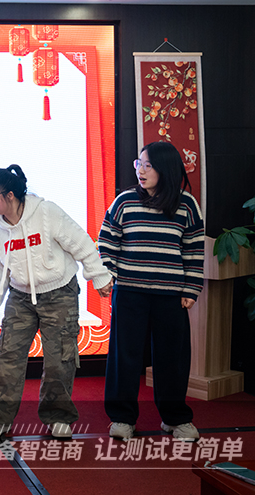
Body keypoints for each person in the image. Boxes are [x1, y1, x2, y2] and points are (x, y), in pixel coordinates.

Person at [0, 164, 113, 441]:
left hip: (59, 292)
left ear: (10, 195)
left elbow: (81, 243)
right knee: (8, 356)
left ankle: (58, 416)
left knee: (59, 358)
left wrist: (99, 276)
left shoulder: (47, 212)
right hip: (20, 297)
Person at [99, 141, 204, 442]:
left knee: (172, 358)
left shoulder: (186, 205)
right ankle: (122, 418)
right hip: (130, 292)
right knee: (125, 356)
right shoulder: (125, 201)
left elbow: (194, 250)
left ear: (165, 169)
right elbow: (107, 241)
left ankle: (175, 418)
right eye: (139, 164)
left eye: (148, 165)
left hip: (171, 295)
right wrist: (109, 275)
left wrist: (191, 288)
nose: (141, 171)